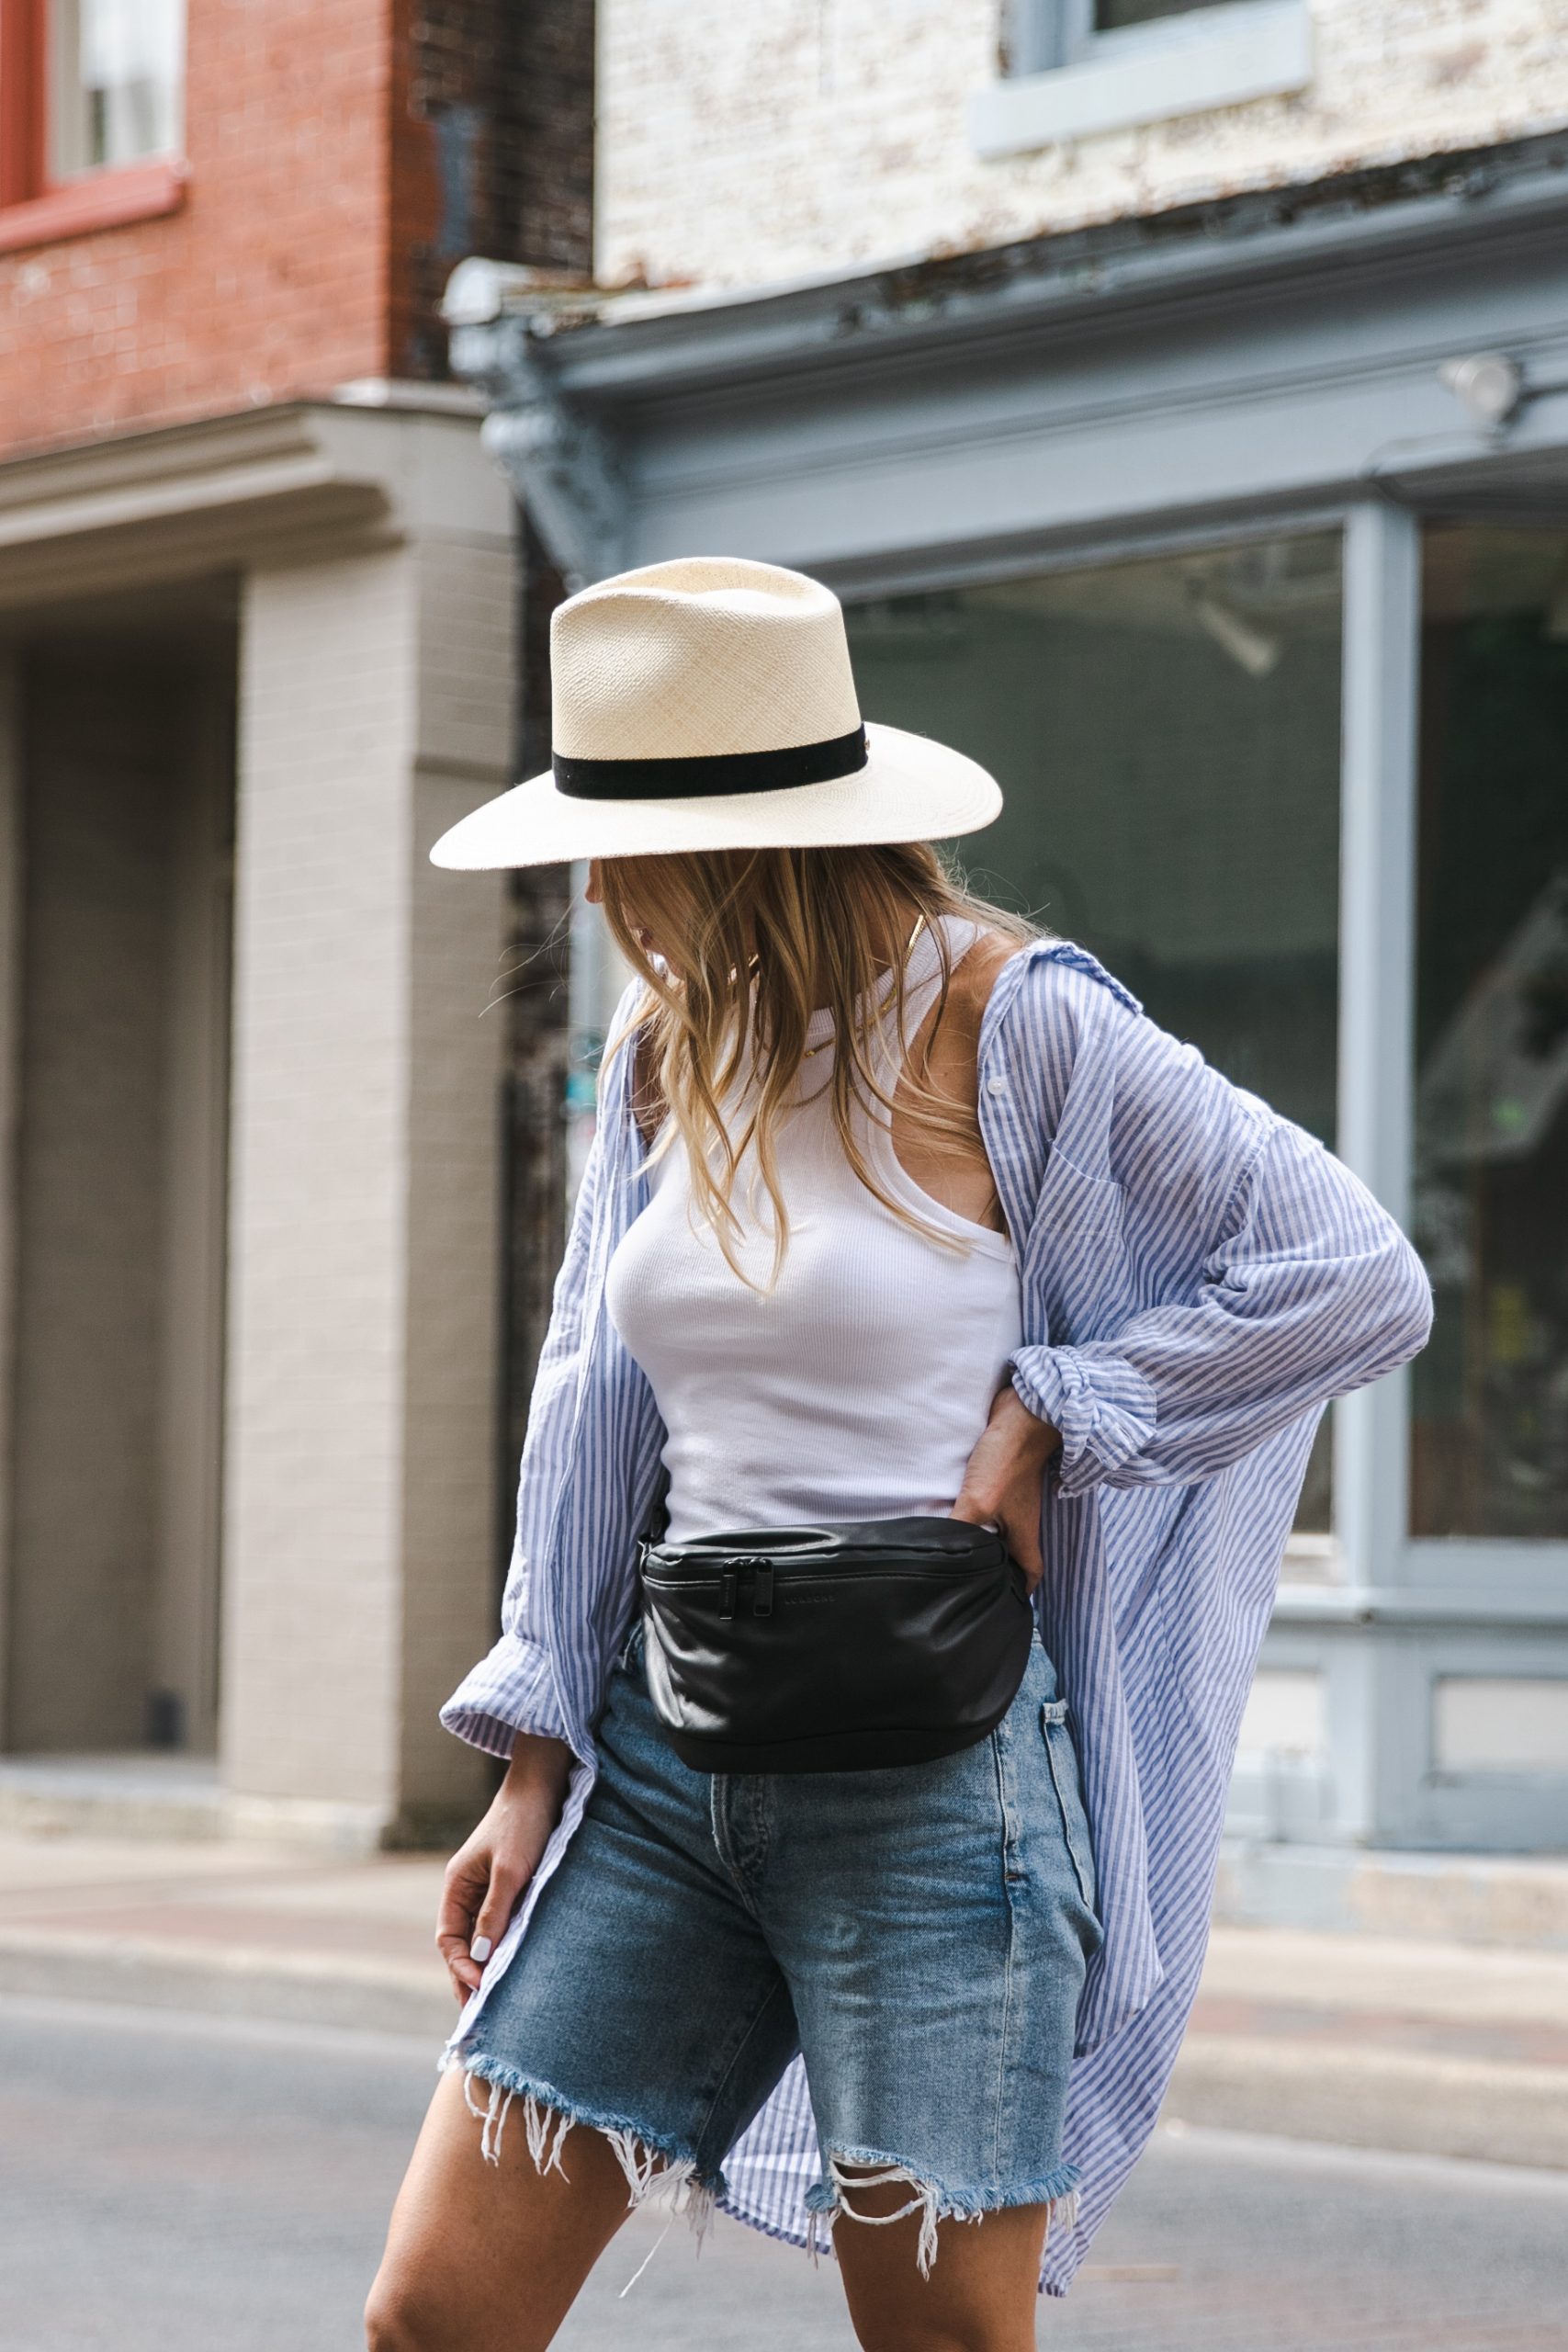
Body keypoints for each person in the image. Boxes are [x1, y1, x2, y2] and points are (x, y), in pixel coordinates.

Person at [366, 558, 1432, 2352]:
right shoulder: (663, 1046)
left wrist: (1058, 1407)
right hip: (657, 1752)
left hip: (936, 1777)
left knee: (934, 2342)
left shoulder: (1008, 1017)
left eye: (619, 842)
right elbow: (591, 1394)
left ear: (740, 839)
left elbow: (1351, 1276)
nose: (598, 882)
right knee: (435, 2312)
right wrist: (532, 1745)